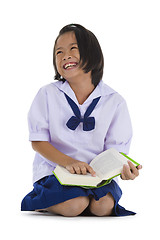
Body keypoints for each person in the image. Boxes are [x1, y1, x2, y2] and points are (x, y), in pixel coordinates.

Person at [21, 24, 142, 217]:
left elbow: (116, 151)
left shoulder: (114, 101)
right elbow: (38, 141)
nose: (65, 55)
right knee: (74, 205)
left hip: (96, 176)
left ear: (92, 53)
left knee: (103, 207)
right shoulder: (47, 94)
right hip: (56, 171)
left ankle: (81, 199)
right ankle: (41, 201)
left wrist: (124, 169)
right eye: (58, 52)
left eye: (73, 48)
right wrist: (68, 162)